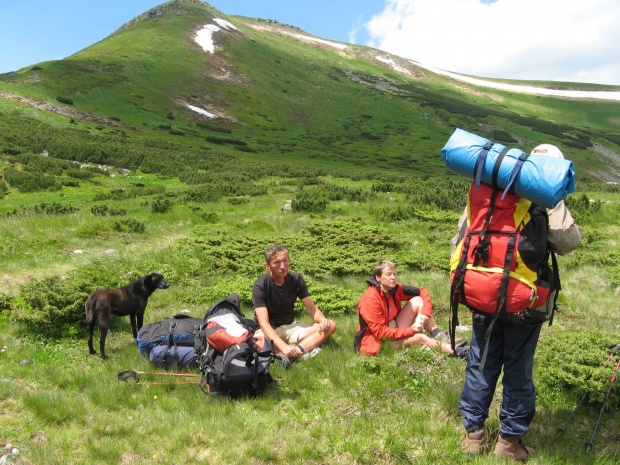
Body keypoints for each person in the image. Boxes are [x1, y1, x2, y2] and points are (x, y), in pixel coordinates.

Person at [458, 144, 582, 461]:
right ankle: (508, 445)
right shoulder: (545, 196)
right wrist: (557, 200)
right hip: (525, 302)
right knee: (518, 369)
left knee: (481, 363)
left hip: (482, 295)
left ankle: (473, 437)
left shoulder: (491, 190)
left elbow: (461, 237)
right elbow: (567, 242)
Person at [354, 260, 468, 357]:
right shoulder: (370, 299)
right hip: (378, 343)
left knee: (418, 300)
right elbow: (380, 333)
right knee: (420, 338)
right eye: (389, 274)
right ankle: (460, 352)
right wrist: (411, 331)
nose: (393, 277)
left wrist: (425, 314)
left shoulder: (395, 289)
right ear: (378, 278)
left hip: (392, 328)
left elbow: (422, 291)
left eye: (394, 274)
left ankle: (440, 337)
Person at [252, 245, 337, 367]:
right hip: (268, 330)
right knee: (258, 344)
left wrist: (322, 320)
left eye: (285, 261)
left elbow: (311, 308)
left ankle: (295, 352)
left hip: (290, 327)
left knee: (330, 325)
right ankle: (295, 350)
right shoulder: (260, 286)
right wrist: (283, 345)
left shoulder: (296, 279)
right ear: (268, 266)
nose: (282, 266)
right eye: (277, 263)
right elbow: (264, 324)